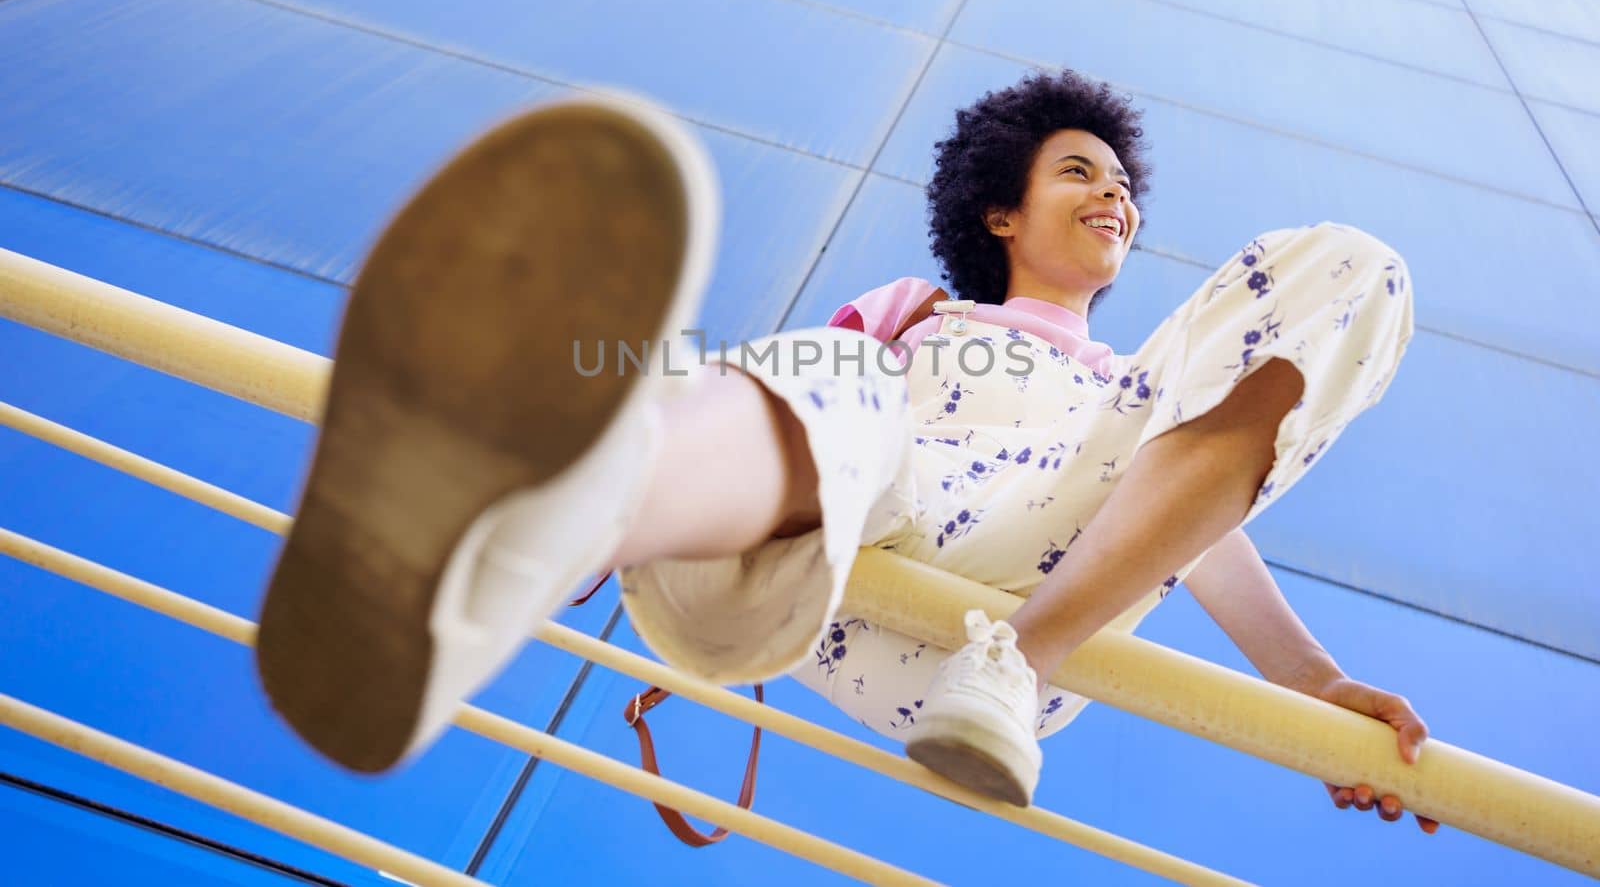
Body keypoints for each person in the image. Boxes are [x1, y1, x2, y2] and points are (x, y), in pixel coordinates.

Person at [255, 72, 1436, 830]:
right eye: (1080, 170)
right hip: (835, 575)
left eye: (1123, 184)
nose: (1114, 196)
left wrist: (1318, 690)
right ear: (1000, 211)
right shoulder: (921, 313)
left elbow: (1197, 541)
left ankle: (1016, 665)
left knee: (1348, 263)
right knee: (837, 371)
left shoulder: (1140, 406)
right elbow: (793, 422)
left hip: (1017, 631)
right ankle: (512, 537)